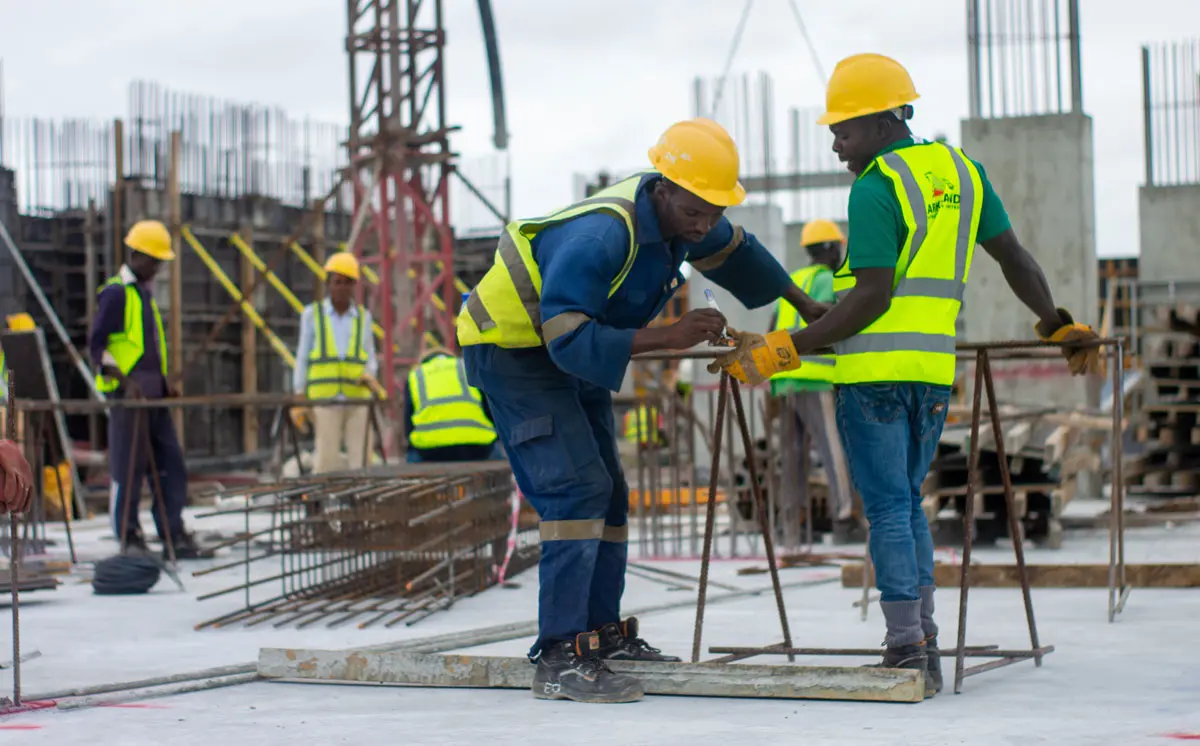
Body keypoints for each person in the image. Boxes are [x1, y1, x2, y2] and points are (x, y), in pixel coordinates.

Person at [710, 53, 1102, 698]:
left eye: (844, 128)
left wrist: (783, 351)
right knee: (908, 506)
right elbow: (1015, 258)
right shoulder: (964, 172)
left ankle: (906, 650)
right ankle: (923, 639)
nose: (836, 143)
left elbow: (870, 299)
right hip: (930, 376)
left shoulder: (874, 186)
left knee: (888, 509)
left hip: (874, 379)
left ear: (884, 118)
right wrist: (1056, 322)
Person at [456, 117, 824, 704]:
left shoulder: (687, 211)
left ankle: (601, 636)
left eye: (712, 212)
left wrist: (810, 309)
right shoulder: (602, 237)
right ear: (664, 188)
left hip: (564, 347)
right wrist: (671, 336)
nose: (704, 225)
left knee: (611, 492)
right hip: (513, 351)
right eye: (696, 213)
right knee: (577, 490)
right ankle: (559, 655)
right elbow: (568, 338)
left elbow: (739, 255)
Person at [89, 220, 201, 559]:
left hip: (154, 399)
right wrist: (126, 383)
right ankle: (129, 535)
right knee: (128, 468)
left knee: (170, 465)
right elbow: (97, 347)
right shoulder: (115, 293)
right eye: (153, 260)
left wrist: (164, 386)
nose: (157, 268)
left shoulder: (143, 295)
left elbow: (146, 348)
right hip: (129, 399)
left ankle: (172, 532)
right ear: (135, 255)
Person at [767, 220, 856, 545]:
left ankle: (790, 525)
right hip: (814, 379)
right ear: (831, 248)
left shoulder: (792, 281)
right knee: (833, 452)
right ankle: (844, 519)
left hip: (784, 380)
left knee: (791, 456)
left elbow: (773, 325)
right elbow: (835, 321)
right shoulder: (826, 280)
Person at [291, 252, 381, 474]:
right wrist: (299, 393)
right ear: (328, 284)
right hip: (325, 398)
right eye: (337, 282)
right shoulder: (312, 315)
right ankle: (322, 505)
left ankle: (362, 503)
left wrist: (370, 374)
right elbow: (302, 355)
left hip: (357, 397)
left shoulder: (363, 317)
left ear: (354, 286)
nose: (341, 287)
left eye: (347, 282)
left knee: (361, 459)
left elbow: (369, 354)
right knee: (326, 459)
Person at [404, 346, 501, 463]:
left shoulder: (415, 375)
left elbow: (408, 424)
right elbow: (490, 409)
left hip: (431, 450)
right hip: (477, 446)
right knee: (498, 455)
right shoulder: (466, 366)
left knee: (412, 454)